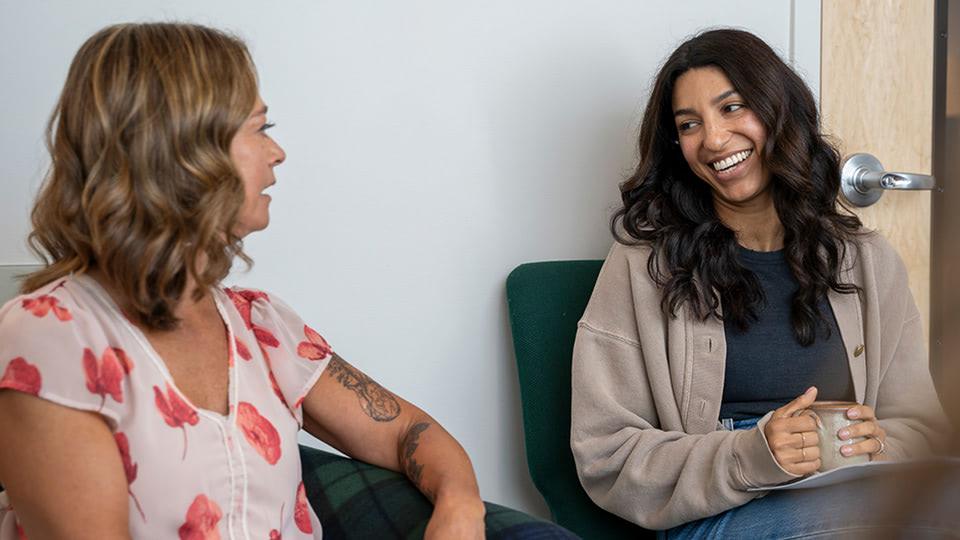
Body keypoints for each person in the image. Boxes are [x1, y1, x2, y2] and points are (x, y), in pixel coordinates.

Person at [0, 22, 493, 540]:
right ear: (183, 149)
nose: (276, 152)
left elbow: (406, 431)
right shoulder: (49, 338)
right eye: (260, 128)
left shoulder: (260, 324)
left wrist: (461, 506)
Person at [570, 28, 955, 538]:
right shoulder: (643, 265)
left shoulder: (865, 259)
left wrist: (880, 443)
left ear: (778, 110)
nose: (713, 139)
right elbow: (606, 453)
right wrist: (747, 455)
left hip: (850, 489)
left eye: (732, 108)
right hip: (715, 511)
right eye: (689, 124)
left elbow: (921, 428)